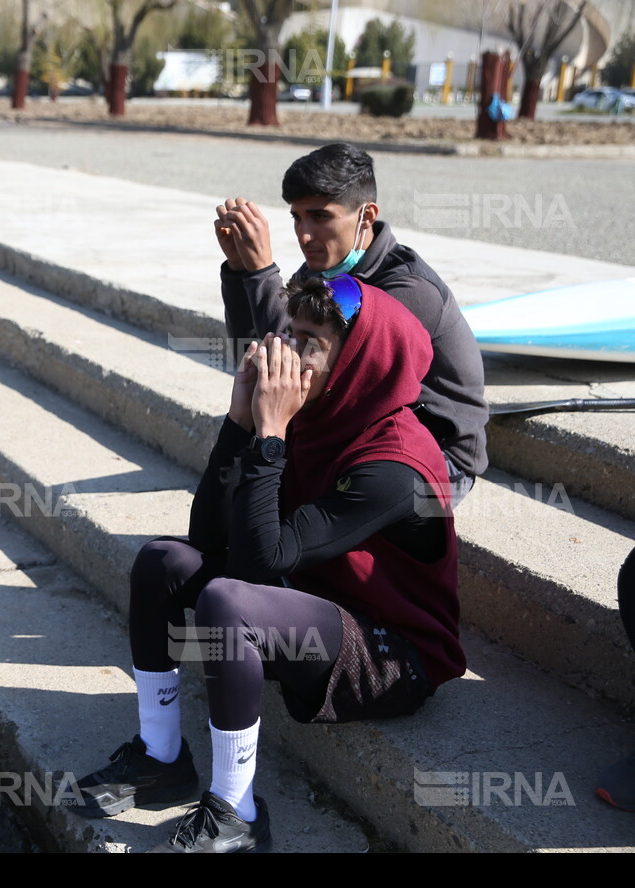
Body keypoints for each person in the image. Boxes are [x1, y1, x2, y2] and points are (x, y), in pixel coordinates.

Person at [68, 276, 464, 853]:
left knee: (229, 602)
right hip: (307, 596)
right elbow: (208, 534)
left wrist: (271, 432)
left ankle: (238, 811)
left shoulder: (394, 465)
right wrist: (240, 423)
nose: (284, 352)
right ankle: (160, 760)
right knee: (163, 561)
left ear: (357, 360)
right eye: (287, 333)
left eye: (309, 341)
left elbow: (254, 569)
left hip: (391, 653)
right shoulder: (317, 415)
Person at [214, 142, 487, 504]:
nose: (304, 234)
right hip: (351, 431)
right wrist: (238, 270)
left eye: (320, 216)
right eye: (296, 217)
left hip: (434, 459)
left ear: (366, 215)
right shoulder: (321, 273)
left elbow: (295, 370)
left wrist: (262, 270)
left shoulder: (407, 288)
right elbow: (262, 357)